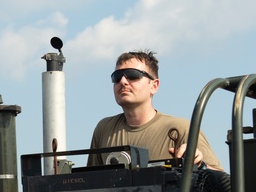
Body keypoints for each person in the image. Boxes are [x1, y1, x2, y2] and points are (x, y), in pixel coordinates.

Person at [87, 50, 223, 170]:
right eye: (116, 77)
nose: (123, 81)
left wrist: (200, 165)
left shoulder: (181, 128)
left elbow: (222, 180)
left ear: (154, 86)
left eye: (133, 75)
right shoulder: (104, 129)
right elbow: (89, 183)